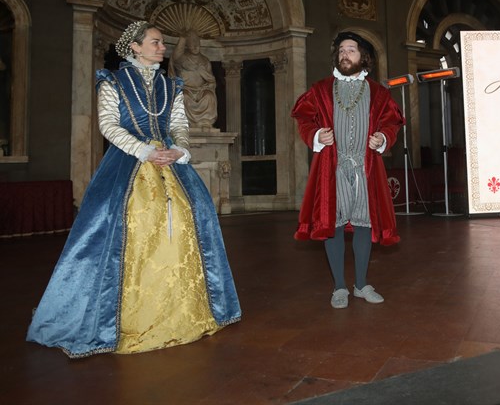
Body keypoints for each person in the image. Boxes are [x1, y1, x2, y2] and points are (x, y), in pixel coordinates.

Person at [27, 21, 241, 358]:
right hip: (129, 161)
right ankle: (129, 317)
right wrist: (144, 151)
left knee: (193, 217)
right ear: (135, 48)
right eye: (155, 42)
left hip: (169, 162)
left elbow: (178, 125)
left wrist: (179, 150)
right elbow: (108, 124)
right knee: (127, 229)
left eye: (162, 43)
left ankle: (185, 308)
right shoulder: (112, 81)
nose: (162, 48)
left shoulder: (171, 85)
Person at [291, 31, 404, 309]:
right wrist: (316, 135)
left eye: (351, 50)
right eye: (342, 50)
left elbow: (392, 122)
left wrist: (383, 138)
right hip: (334, 167)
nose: (345, 54)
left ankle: (361, 284)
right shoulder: (320, 89)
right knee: (335, 225)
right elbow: (303, 117)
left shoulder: (378, 92)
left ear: (362, 57)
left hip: (366, 167)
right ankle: (339, 286)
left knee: (365, 225)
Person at [168, 29, 217, 128]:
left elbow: (211, 80)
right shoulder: (182, 58)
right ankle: (185, 124)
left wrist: (208, 86)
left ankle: (204, 121)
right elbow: (176, 55)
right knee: (184, 97)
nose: (195, 46)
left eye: (197, 43)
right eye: (192, 43)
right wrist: (183, 38)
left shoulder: (205, 61)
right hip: (186, 89)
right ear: (187, 45)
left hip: (201, 90)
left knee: (209, 97)